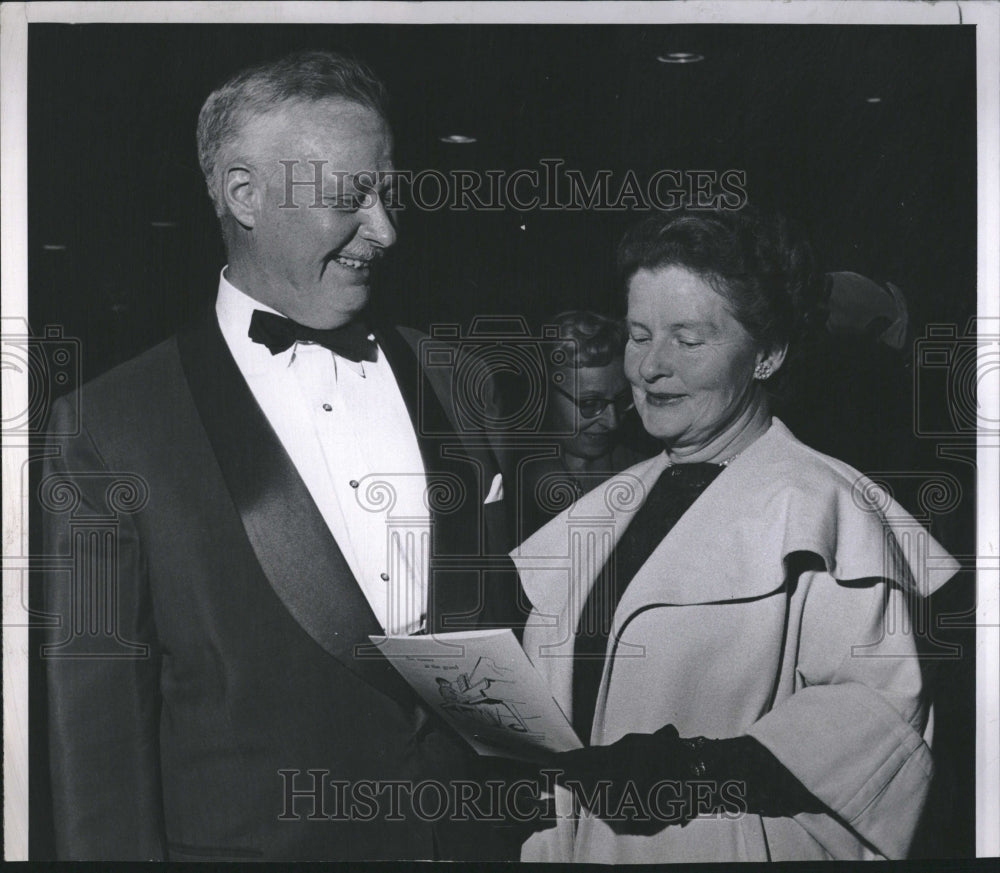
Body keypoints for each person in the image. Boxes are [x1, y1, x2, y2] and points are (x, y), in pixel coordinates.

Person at [39, 50, 521, 861]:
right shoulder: (106, 427)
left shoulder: (460, 379)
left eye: (389, 194)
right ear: (241, 194)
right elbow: (98, 765)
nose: (386, 231)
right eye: (349, 199)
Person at [511, 207, 959, 862]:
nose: (651, 367)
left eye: (687, 340)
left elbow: (876, 720)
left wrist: (699, 768)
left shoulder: (828, 508)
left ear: (768, 353)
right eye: (639, 335)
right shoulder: (603, 509)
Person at [513, 310, 649, 541]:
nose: (612, 422)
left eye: (621, 400)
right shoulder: (513, 486)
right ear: (544, 396)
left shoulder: (642, 467)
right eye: (589, 403)